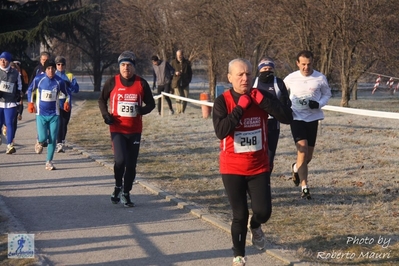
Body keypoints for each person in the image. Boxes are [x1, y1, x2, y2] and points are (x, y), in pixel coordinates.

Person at [212, 58, 292, 266]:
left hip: (258, 166)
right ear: (230, 78)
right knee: (239, 215)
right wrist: (240, 109)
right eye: (240, 74)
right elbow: (221, 131)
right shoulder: (223, 101)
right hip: (232, 167)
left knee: (263, 212)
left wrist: (264, 102)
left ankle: (255, 226)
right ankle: (239, 255)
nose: (245, 78)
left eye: (248, 74)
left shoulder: (261, 96)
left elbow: (287, 117)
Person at [98, 51, 155, 207]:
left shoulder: (141, 83)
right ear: (119, 67)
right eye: (123, 65)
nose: (126, 68)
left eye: (129, 65)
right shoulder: (112, 82)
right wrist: (106, 116)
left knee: (131, 164)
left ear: (134, 67)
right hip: (117, 129)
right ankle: (118, 185)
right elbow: (102, 100)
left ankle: (126, 192)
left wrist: (140, 110)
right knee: (120, 160)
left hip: (135, 130)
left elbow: (151, 104)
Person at [283, 50, 331, 199]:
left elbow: (327, 94)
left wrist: (318, 104)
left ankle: (296, 167)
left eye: (309, 64)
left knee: (307, 157)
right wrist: (285, 106)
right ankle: (305, 187)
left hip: (313, 119)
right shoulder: (291, 78)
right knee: (302, 150)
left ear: (312, 63)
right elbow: (281, 93)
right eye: (303, 64)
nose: (306, 67)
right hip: (296, 118)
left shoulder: (320, 78)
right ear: (297, 63)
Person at [27, 59, 71, 170]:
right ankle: (40, 142)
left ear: (55, 70)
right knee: (43, 137)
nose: (51, 71)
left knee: (52, 138)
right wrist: (30, 103)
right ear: (45, 69)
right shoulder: (39, 79)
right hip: (41, 114)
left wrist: (66, 102)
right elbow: (29, 90)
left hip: (54, 115)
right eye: (48, 68)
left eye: (52, 68)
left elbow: (68, 93)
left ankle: (49, 161)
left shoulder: (59, 81)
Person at [252, 57, 291, 173]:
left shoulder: (278, 82)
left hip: (273, 124)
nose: (267, 71)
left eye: (270, 68)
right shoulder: (254, 82)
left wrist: (285, 105)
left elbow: (285, 101)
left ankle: (266, 180)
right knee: (256, 155)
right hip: (256, 123)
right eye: (264, 68)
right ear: (259, 69)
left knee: (269, 156)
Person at [55, 56, 79, 153]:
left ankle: (62, 140)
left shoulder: (70, 76)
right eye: (58, 64)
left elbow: (76, 89)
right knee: (59, 123)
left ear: (65, 65)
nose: (60, 66)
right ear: (56, 65)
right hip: (56, 103)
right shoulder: (53, 75)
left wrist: (69, 84)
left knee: (65, 123)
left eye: (62, 64)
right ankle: (59, 143)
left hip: (66, 103)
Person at [0, 51, 22, 154]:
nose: (2, 61)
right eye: (1, 60)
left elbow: (19, 85)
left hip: (11, 102)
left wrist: (18, 95)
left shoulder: (15, 73)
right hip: (0, 102)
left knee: (10, 123)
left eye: (5, 60)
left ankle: (9, 145)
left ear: (9, 61)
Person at [170, 50, 192, 114]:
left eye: (180, 55)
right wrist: (175, 73)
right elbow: (170, 71)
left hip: (185, 82)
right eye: (178, 55)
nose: (179, 56)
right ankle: (178, 111)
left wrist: (188, 80)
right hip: (176, 82)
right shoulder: (173, 62)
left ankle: (182, 111)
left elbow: (190, 73)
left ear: (182, 55)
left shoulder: (187, 63)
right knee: (178, 97)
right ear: (176, 55)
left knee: (185, 97)